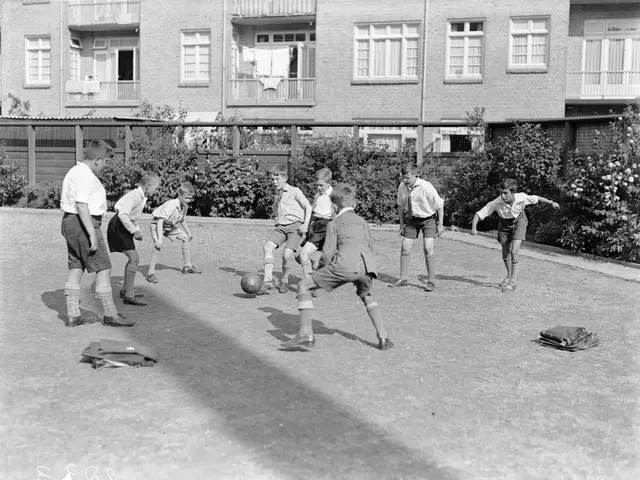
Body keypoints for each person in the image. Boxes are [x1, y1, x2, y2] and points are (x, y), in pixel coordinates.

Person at [280, 183, 393, 351]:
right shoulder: (362, 221)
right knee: (367, 296)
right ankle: (383, 337)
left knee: (304, 285)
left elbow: (327, 254)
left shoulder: (334, 224)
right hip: (366, 268)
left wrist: (319, 272)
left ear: (333, 205)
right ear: (354, 204)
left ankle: (305, 334)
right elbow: (368, 245)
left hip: (344, 266)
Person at [60, 140, 134, 327]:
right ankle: (110, 314)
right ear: (98, 159)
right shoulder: (84, 175)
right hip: (84, 223)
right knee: (103, 266)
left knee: (76, 264)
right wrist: (92, 233)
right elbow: (82, 205)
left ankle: (73, 314)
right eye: (106, 161)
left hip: (70, 222)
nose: (106, 166)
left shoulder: (74, 171)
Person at [471, 178, 560, 291]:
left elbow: (537, 198)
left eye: (505, 193)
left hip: (519, 221)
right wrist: (474, 228)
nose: (502, 196)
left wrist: (552, 202)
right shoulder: (496, 202)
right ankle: (509, 276)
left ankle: (513, 281)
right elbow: (478, 214)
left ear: (513, 192)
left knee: (514, 251)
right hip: (504, 225)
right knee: (505, 253)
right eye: (501, 193)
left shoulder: (521, 197)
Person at [389, 162, 444, 292]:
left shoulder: (426, 187)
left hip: (428, 220)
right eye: (403, 177)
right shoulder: (402, 186)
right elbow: (401, 206)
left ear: (416, 175)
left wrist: (440, 224)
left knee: (427, 248)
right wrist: (401, 225)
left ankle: (431, 281)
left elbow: (439, 204)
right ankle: (403, 279)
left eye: (407, 177)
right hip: (411, 220)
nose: (404, 180)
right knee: (405, 247)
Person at [107, 172, 161, 306]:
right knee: (134, 258)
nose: (157, 190)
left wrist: (137, 230)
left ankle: (126, 291)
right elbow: (123, 215)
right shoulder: (136, 196)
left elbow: (132, 216)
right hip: (119, 226)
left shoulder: (141, 196)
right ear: (148, 186)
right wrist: (134, 230)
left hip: (124, 226)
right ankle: (129, 296)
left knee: (133, 259)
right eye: (156, 187)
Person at [259, 164, 312, 294]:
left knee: (287, 255)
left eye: (277, 179)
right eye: (272, 179)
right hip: (281, 227)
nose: (274, 182)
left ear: (285, 178)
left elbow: (308, 207)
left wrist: (305, 224)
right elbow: (278, 210)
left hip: (295, 227)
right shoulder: (278, 195)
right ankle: (268, 281)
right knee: (267, 247)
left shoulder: (295, 191)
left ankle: (284, 280)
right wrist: (276, 216)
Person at [146, 181, 201, 283]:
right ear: (179, 195)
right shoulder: (171, 205)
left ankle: (187, 266)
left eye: (190, 198)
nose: (188, 200)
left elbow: (182, 220)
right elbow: (160, 221)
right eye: (186, 198)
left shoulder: (185, 206)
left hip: (169, 226)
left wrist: (188, 233)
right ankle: (151, 273)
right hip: (157, 224)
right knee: (158, 245)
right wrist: (160, 239)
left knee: (185, 238)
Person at [295, 167, 333, 293]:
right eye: (317, 185)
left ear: (329, 183)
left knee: (303, 254)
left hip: (326, 226)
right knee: (298, 256)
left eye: (321, 185)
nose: (319, 188)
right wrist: (307, 225)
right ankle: (315, 272)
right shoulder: (318, 195)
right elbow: (313, 211)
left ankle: (309, 285)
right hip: (315, 226)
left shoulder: (334, 196)